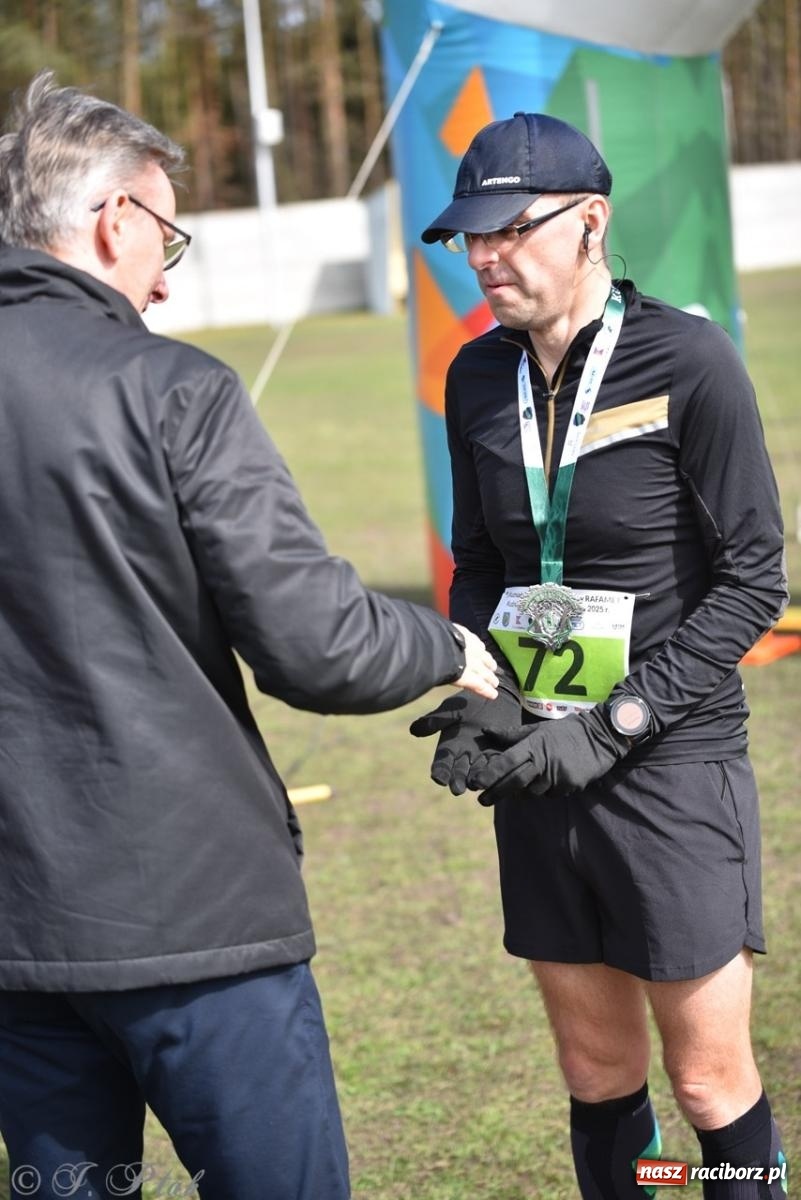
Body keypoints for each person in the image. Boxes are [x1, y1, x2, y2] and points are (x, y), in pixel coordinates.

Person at [0, 71, 499, 1200]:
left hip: (20, 935)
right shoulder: (172, 388)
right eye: (166, 237)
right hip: (196, 922)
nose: (166, 284)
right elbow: (313, 642)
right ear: (114, 219)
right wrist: (450, 650)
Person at [410, 111, 789, 1199]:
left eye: (507, 232)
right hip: (538, 763)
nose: (483, 257)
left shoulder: (689, 359)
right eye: (466, 239)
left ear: (591, 224)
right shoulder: (477, 378)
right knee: (597, 1071)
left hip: (667, 762)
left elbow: (756, 578)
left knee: (710, 1085)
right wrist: (488, 686)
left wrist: (620, 722)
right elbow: (478, 561)